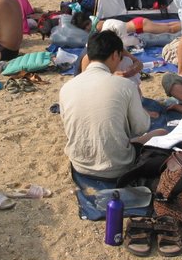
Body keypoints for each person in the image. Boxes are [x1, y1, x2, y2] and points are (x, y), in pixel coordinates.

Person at [59, 30, 165, 180]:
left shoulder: (66, 88)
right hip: (117, 167)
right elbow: (141, 128)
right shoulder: (125, 85)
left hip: (79, 164)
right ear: (115, 55)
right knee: (161, 132)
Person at [71, 12, 181, 37]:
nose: (86, 28)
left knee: (169, 29)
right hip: (137, 24)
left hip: (139, 26)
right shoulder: (94, 20)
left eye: (86, 26)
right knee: (167, 25)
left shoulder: (99, 27)